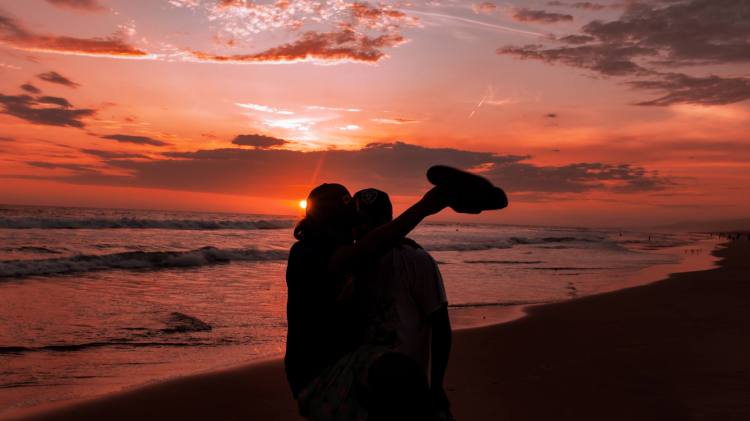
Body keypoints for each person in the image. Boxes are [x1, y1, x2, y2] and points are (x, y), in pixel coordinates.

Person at [285, 183, 448, 420]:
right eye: (349, 224)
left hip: (352, 370)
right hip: (320, 379)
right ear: (328, 224)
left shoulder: (358, 251)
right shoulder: (306, 254)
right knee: (399, 373)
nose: (355, 231)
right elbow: (364, 250)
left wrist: (396, 240)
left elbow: (372, 245)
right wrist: (424, 207)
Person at [352, 188, 454, 421]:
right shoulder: (348, 261)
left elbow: (440, 324)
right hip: (360, 387)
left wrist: (436, 385)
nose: (365, 228)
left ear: (390, 222)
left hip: (407, 385)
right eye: (359, 222)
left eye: (373, 221)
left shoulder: (414, 259)